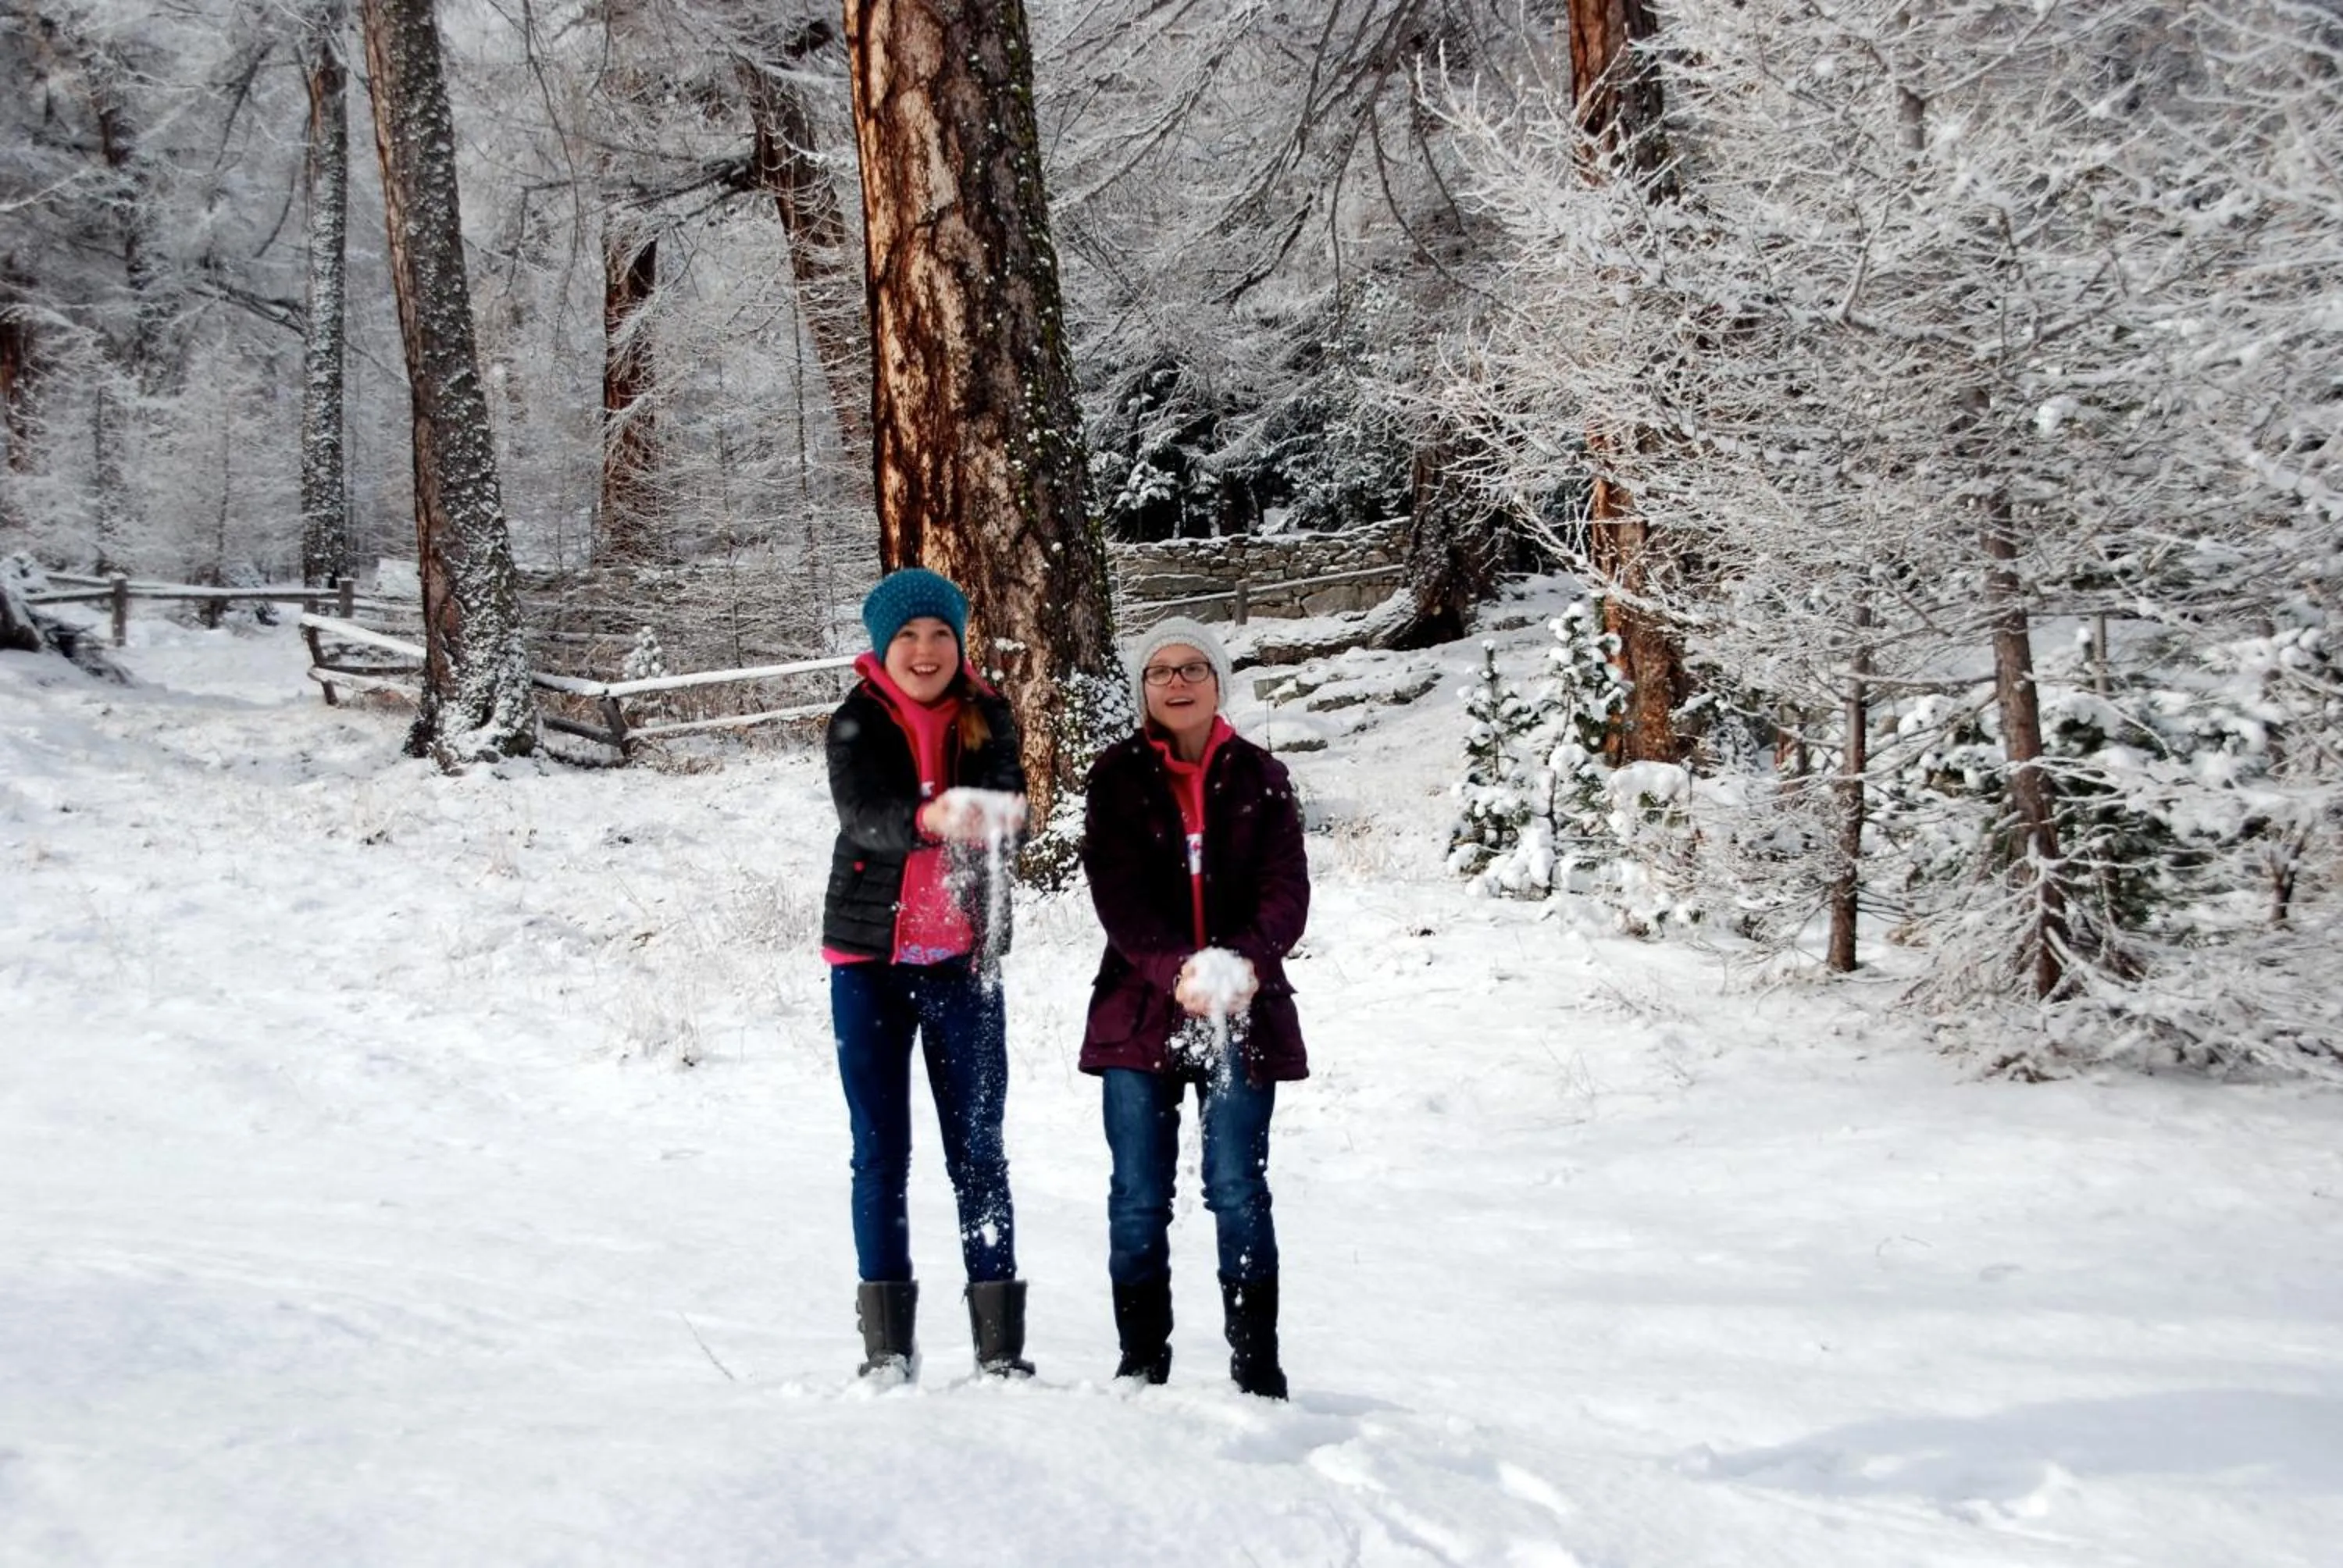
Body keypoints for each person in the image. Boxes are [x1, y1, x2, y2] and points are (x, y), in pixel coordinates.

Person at [1079, 615, 1310, 1399]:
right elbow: (1117, 893)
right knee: (1139, 1195)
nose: (1176, 682)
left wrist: (1242, 961)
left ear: (1217, 681)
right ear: (1144, 689)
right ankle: (1142, 1363)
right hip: (1139, 1009)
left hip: (1242, 1008)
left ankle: (1257, 1370)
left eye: (1192, 669)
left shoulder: (1264, 777)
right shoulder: (1115, 777)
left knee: (1238, 1188)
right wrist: (1174, 966)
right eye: (1161, 671)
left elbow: (1288, 889)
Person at [822, 567, 1032, 1381]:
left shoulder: (989, 713)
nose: (925, 649)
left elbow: (1013, 802)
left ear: (959, 642)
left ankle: (1000, 1348)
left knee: (980, 1147)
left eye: (940, 633)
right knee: (880, 1149)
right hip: (868, 963)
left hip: (963, 965)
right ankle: (887, 1349)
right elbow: (863, 817)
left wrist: (999, 815)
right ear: (884, 645)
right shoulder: (856, 721)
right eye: (908, 635)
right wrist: (926, 818)